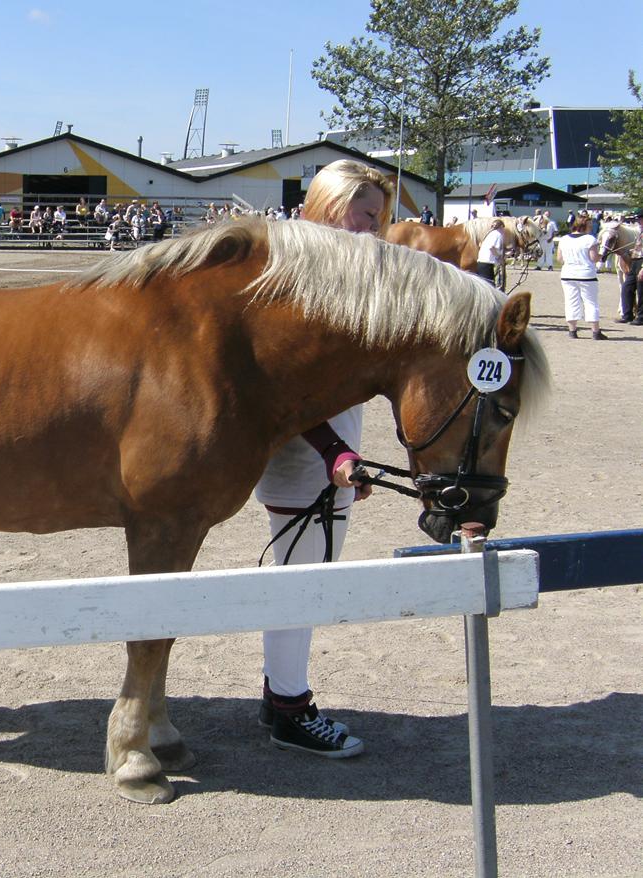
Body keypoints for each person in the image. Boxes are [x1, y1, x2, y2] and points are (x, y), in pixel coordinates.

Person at [253, 158, 394, 759]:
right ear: (334, 205)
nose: (375, 229)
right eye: (367, 213)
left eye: (380, 218)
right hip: (306, 456)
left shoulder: (332, 271)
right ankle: (290, 709)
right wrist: (335, 451)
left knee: (304, 573)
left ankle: (277, 698)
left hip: (329, 454)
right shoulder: (305, 276)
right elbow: (284, 383)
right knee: (305, 580)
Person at [557, 215, 606, 339]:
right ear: (585, 226)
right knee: (590, 302)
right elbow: (594, 258)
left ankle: (572, 331)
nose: (591, 227)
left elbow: (559, 259)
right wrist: (602, 255)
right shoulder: (590, 239)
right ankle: (595, 331)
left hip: (568, 274)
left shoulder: (564, 239)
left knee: (571, 302)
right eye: (589, 225)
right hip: (586, 275)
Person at [618, 222, 643, 324]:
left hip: (641, 262)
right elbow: (639, 249)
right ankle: (627, 315)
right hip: (635, 261)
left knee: (641, 291)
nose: (639, 222)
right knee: (627, 287)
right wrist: (627, 251)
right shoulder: (641, 233)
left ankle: (641, 317)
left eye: (640, 219)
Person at [474, 219, 505, 283]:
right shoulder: (498, 234)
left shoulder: (489, 234)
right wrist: (499, 258)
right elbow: (492, 248)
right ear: (501, 226)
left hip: (482, 263)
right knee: (489, 286)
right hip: (488, 264)